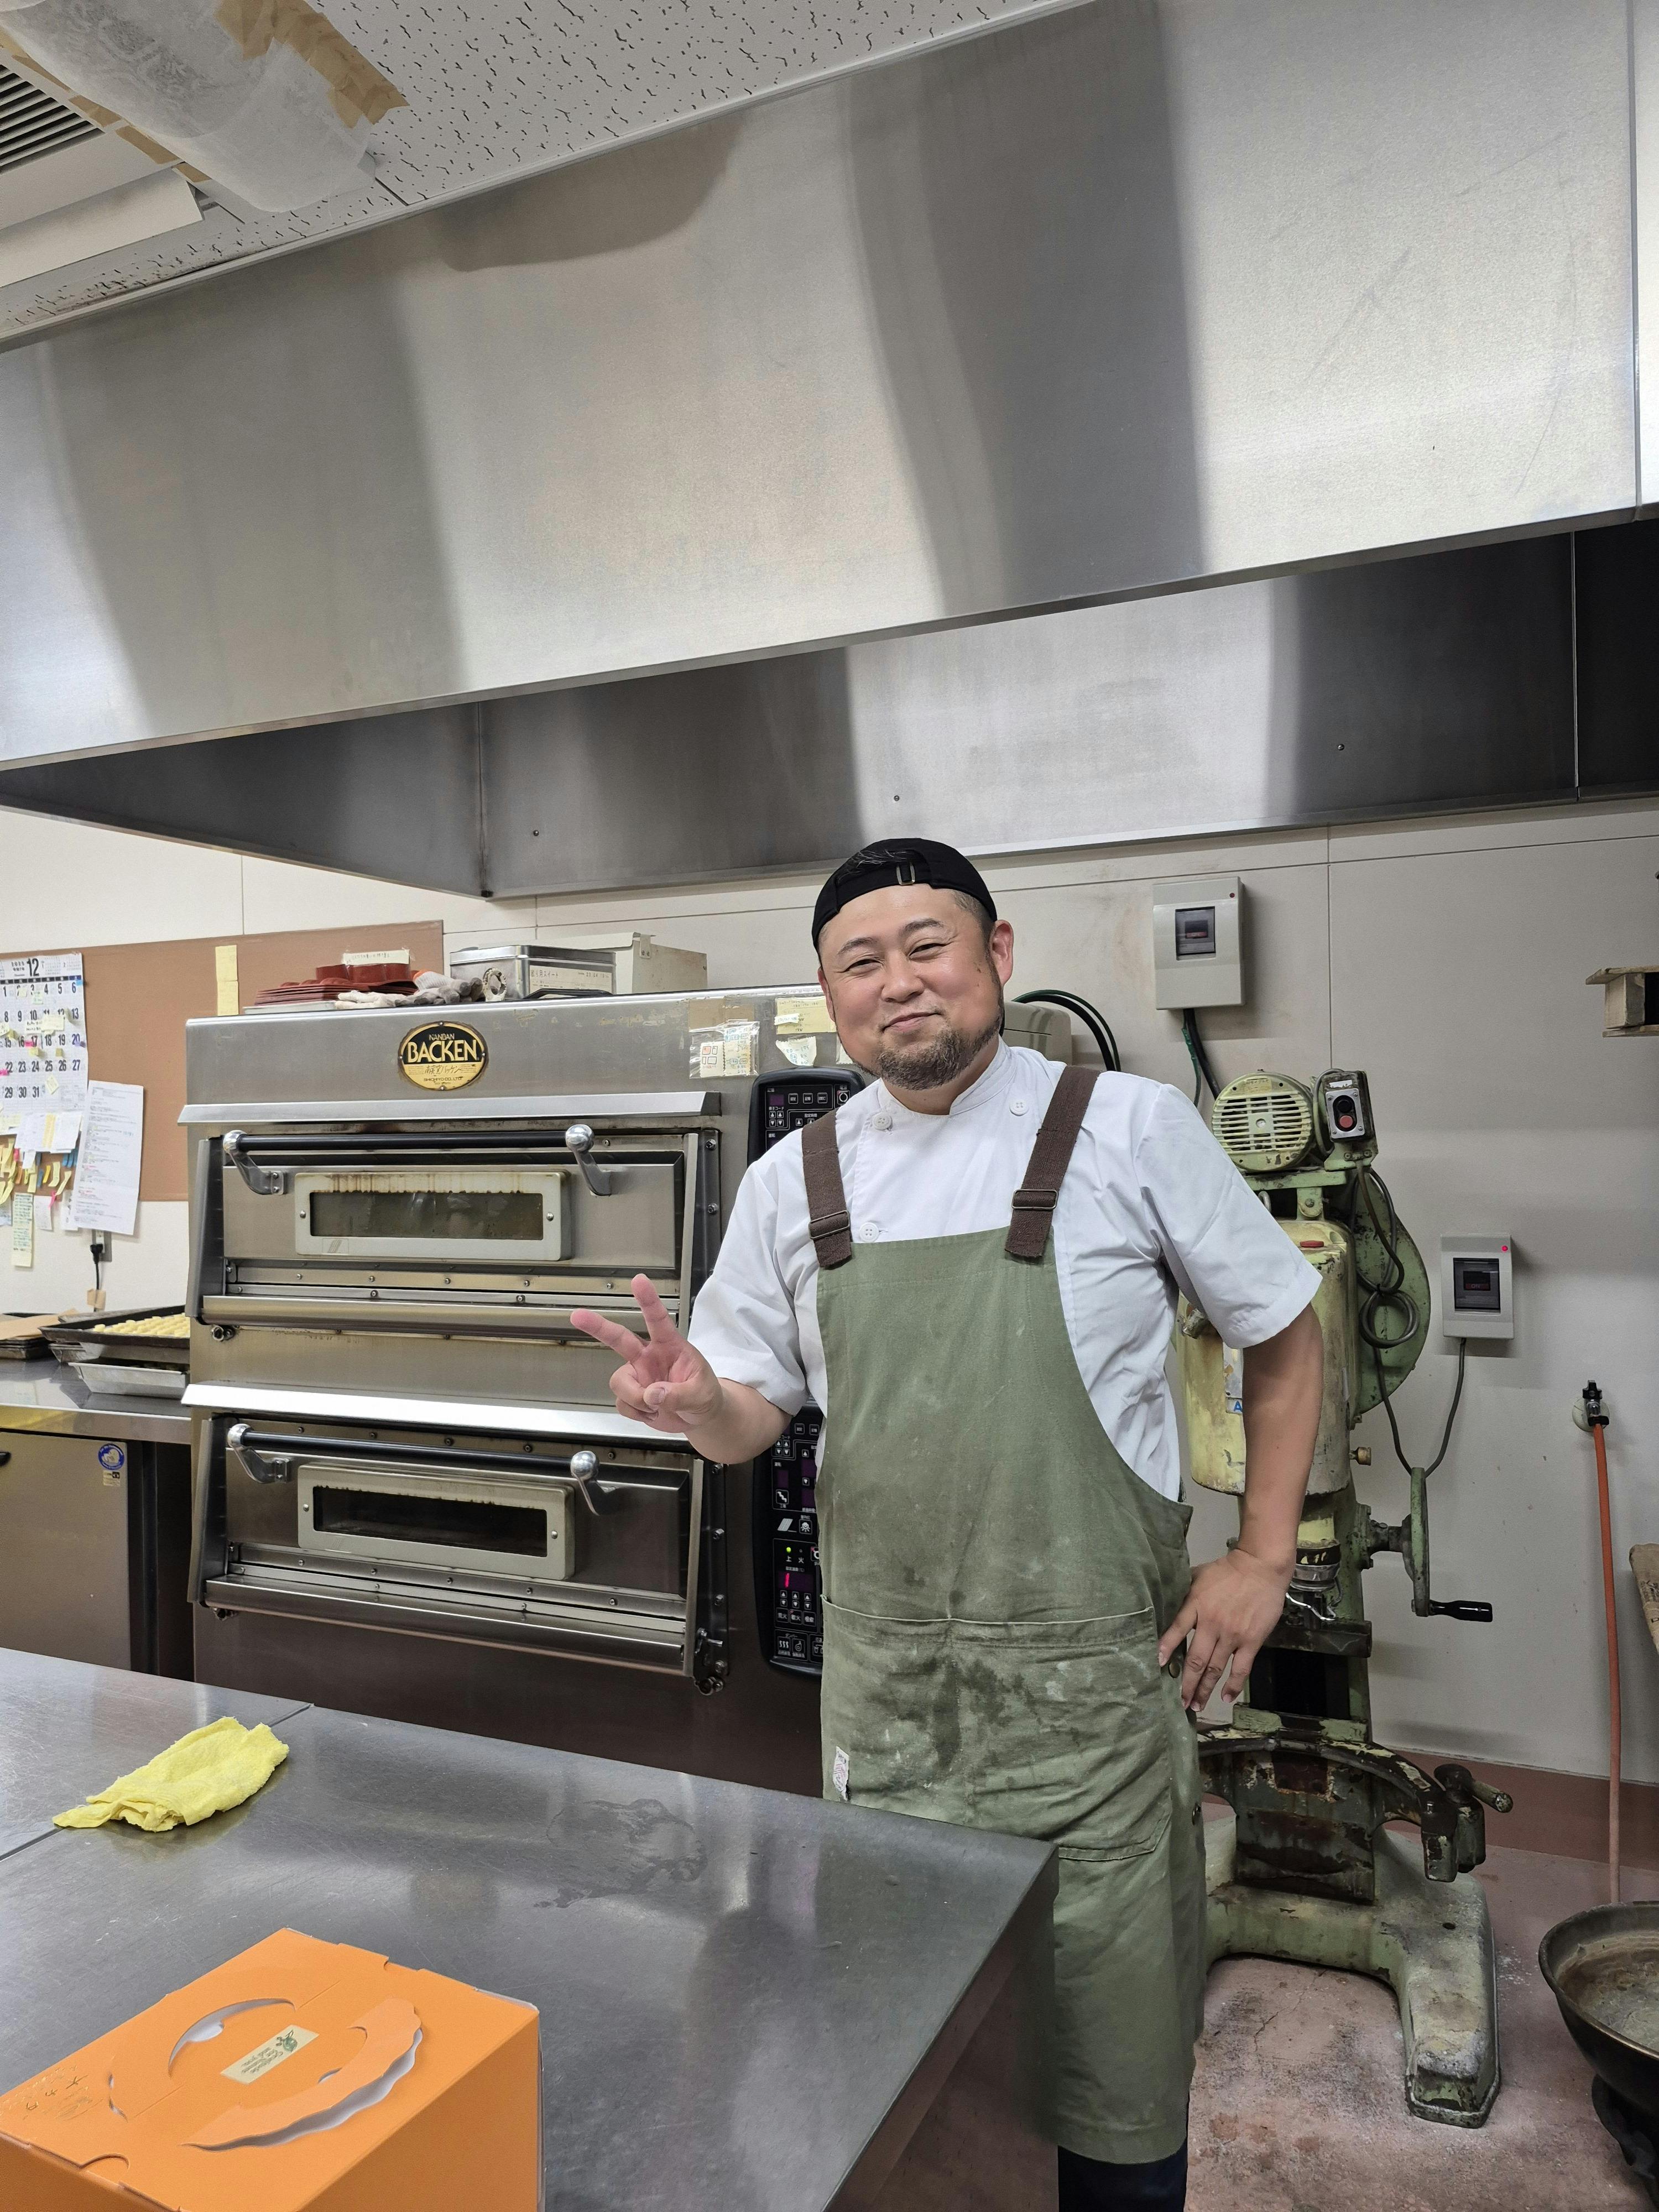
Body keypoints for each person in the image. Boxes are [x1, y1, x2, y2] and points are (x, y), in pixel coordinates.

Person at [572, 837, 1324, 2211]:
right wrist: (697, 1401)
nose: (900, 982)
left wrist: (1263, 1553)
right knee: (920, 2089)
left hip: (1093, 1714)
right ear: (831, 996)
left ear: (998, 953)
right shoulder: (796, 1179)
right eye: (861, 962)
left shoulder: (1131, 1127)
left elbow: (1281, 1331)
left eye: (928, 944)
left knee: (1111, 2083)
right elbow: (751, 1413)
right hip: (892, 1721)